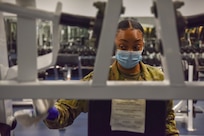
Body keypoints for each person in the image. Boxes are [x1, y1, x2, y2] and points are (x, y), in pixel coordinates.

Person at [43, 18, 179, 136]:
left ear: (143, 45)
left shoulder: (157, 78)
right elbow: (67, 108)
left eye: (136, 46)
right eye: (123, 46)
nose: (130, 52)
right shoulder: (99, 79)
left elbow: (168, 121)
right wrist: (51, 113)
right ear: (115, 46)